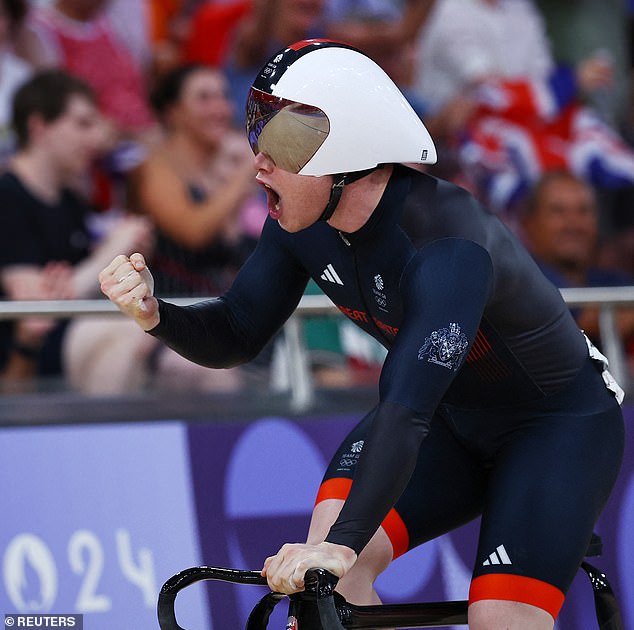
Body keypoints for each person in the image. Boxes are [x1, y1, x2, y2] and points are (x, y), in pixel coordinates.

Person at [100, 41, 625, 629]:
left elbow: (406, 411)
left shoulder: (447, 243)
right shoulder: (303, 217)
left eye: (283, 142)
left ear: (347, 152)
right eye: (258, 138)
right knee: (326, 584)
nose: (258, 163)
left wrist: (341, 544)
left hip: (553, 429)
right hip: (451, 417)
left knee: (495, 618)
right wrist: (156, 314)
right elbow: (238, 331)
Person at [0, 69, 152, 391]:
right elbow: (39, 305)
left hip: (72, 337)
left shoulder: (71, 200)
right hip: (24, 356)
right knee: (132, 330)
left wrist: (128, 260)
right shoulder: (7, 196)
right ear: (39, 127)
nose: (96, 139)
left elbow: (73, 286)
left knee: (191, 357)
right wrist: (115, 248)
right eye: (82, 124)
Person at [520, 170, 634, 366]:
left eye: (583, 211)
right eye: (558, 211)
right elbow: (583, 322)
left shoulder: (613, 280)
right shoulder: (519, 281)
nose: (573, 223)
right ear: (529, 223)